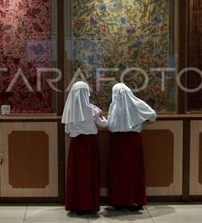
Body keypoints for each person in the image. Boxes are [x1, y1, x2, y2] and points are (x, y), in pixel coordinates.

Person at [107, 83, 156, 211]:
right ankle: (135, 200)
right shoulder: (137, 103)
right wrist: (139, 121)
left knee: (118, 173)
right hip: (133, 141)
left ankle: (119, 201)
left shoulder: (114, 106)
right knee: (134, 170)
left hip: (118, 142)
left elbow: (110, 126)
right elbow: (152, 116)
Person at [62, 81, 108, 215]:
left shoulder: (69, 110)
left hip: (76, 145)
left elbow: (68, 131)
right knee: (90, 174)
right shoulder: (92, 109)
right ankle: (90, 205)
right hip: (90, 145)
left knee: (77, 174)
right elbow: (104, 124)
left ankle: (76, 205)